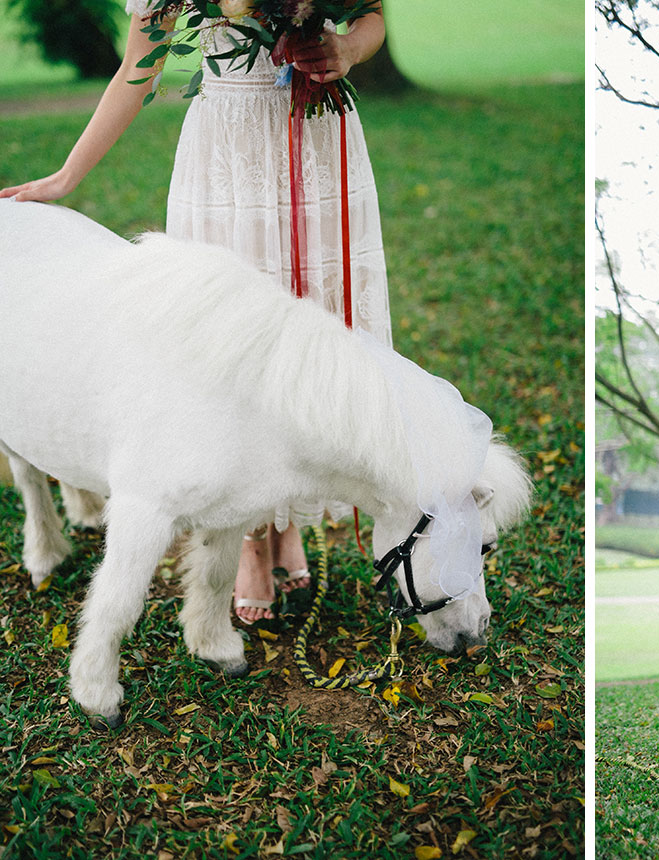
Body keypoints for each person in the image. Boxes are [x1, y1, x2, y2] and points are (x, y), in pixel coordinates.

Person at [0, 1, 394, 624]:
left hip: (319, 140)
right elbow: (140, 64)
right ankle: (245, 537)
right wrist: (66, 177)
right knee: (228, 349)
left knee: (315, 330)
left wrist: (345, 50)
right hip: (227, 157)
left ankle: (285, 518)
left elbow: (370, 15)